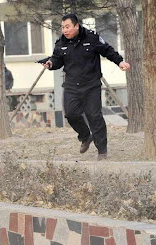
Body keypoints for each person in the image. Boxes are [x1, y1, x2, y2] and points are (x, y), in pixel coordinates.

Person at [42, 14, 130, 161]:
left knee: (94, 116)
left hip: (91, 85)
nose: (65, 30)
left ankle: (102, 151)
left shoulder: (91, 38)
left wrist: (120, 62)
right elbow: (57, 60)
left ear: (76, 26)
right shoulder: (60, 43)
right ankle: (85, 136)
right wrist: (50, 64)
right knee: (70, 114)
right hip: (71, 86)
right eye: (63, 27)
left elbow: (108, 51)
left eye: (67, 27)